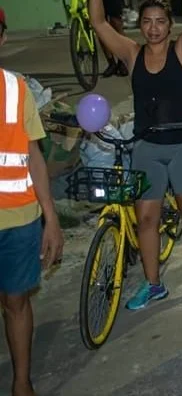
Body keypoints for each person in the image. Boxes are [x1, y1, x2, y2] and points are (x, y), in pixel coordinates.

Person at [84, 0, 182, 310]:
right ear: (139, 26)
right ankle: (153, 283)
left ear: (169, 26)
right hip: (146, 148)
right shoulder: (132, 53)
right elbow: (98, 23)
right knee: (146, 218)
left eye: (160, 22)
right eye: (147, 22)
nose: (153, 28)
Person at [0, 26, 65, 396]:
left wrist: (50, 218)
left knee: (16, 301)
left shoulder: (16, 89)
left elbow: (33, 156)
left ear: (2, 38)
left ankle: (21, 382)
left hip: (20, 219)